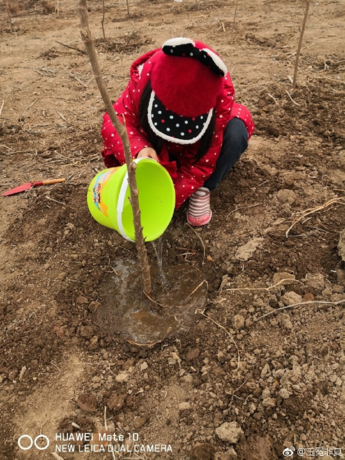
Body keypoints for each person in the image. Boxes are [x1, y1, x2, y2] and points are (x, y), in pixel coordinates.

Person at [101, 37, 254, 226]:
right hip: (156, 147)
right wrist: (140, 149)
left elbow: (203, 163)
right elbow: (116, 120)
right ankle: (153, 167)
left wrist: (168, 197)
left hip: (195, 150)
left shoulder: (219, 101)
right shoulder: (146, 79)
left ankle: (203, 189)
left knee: (237, 131)